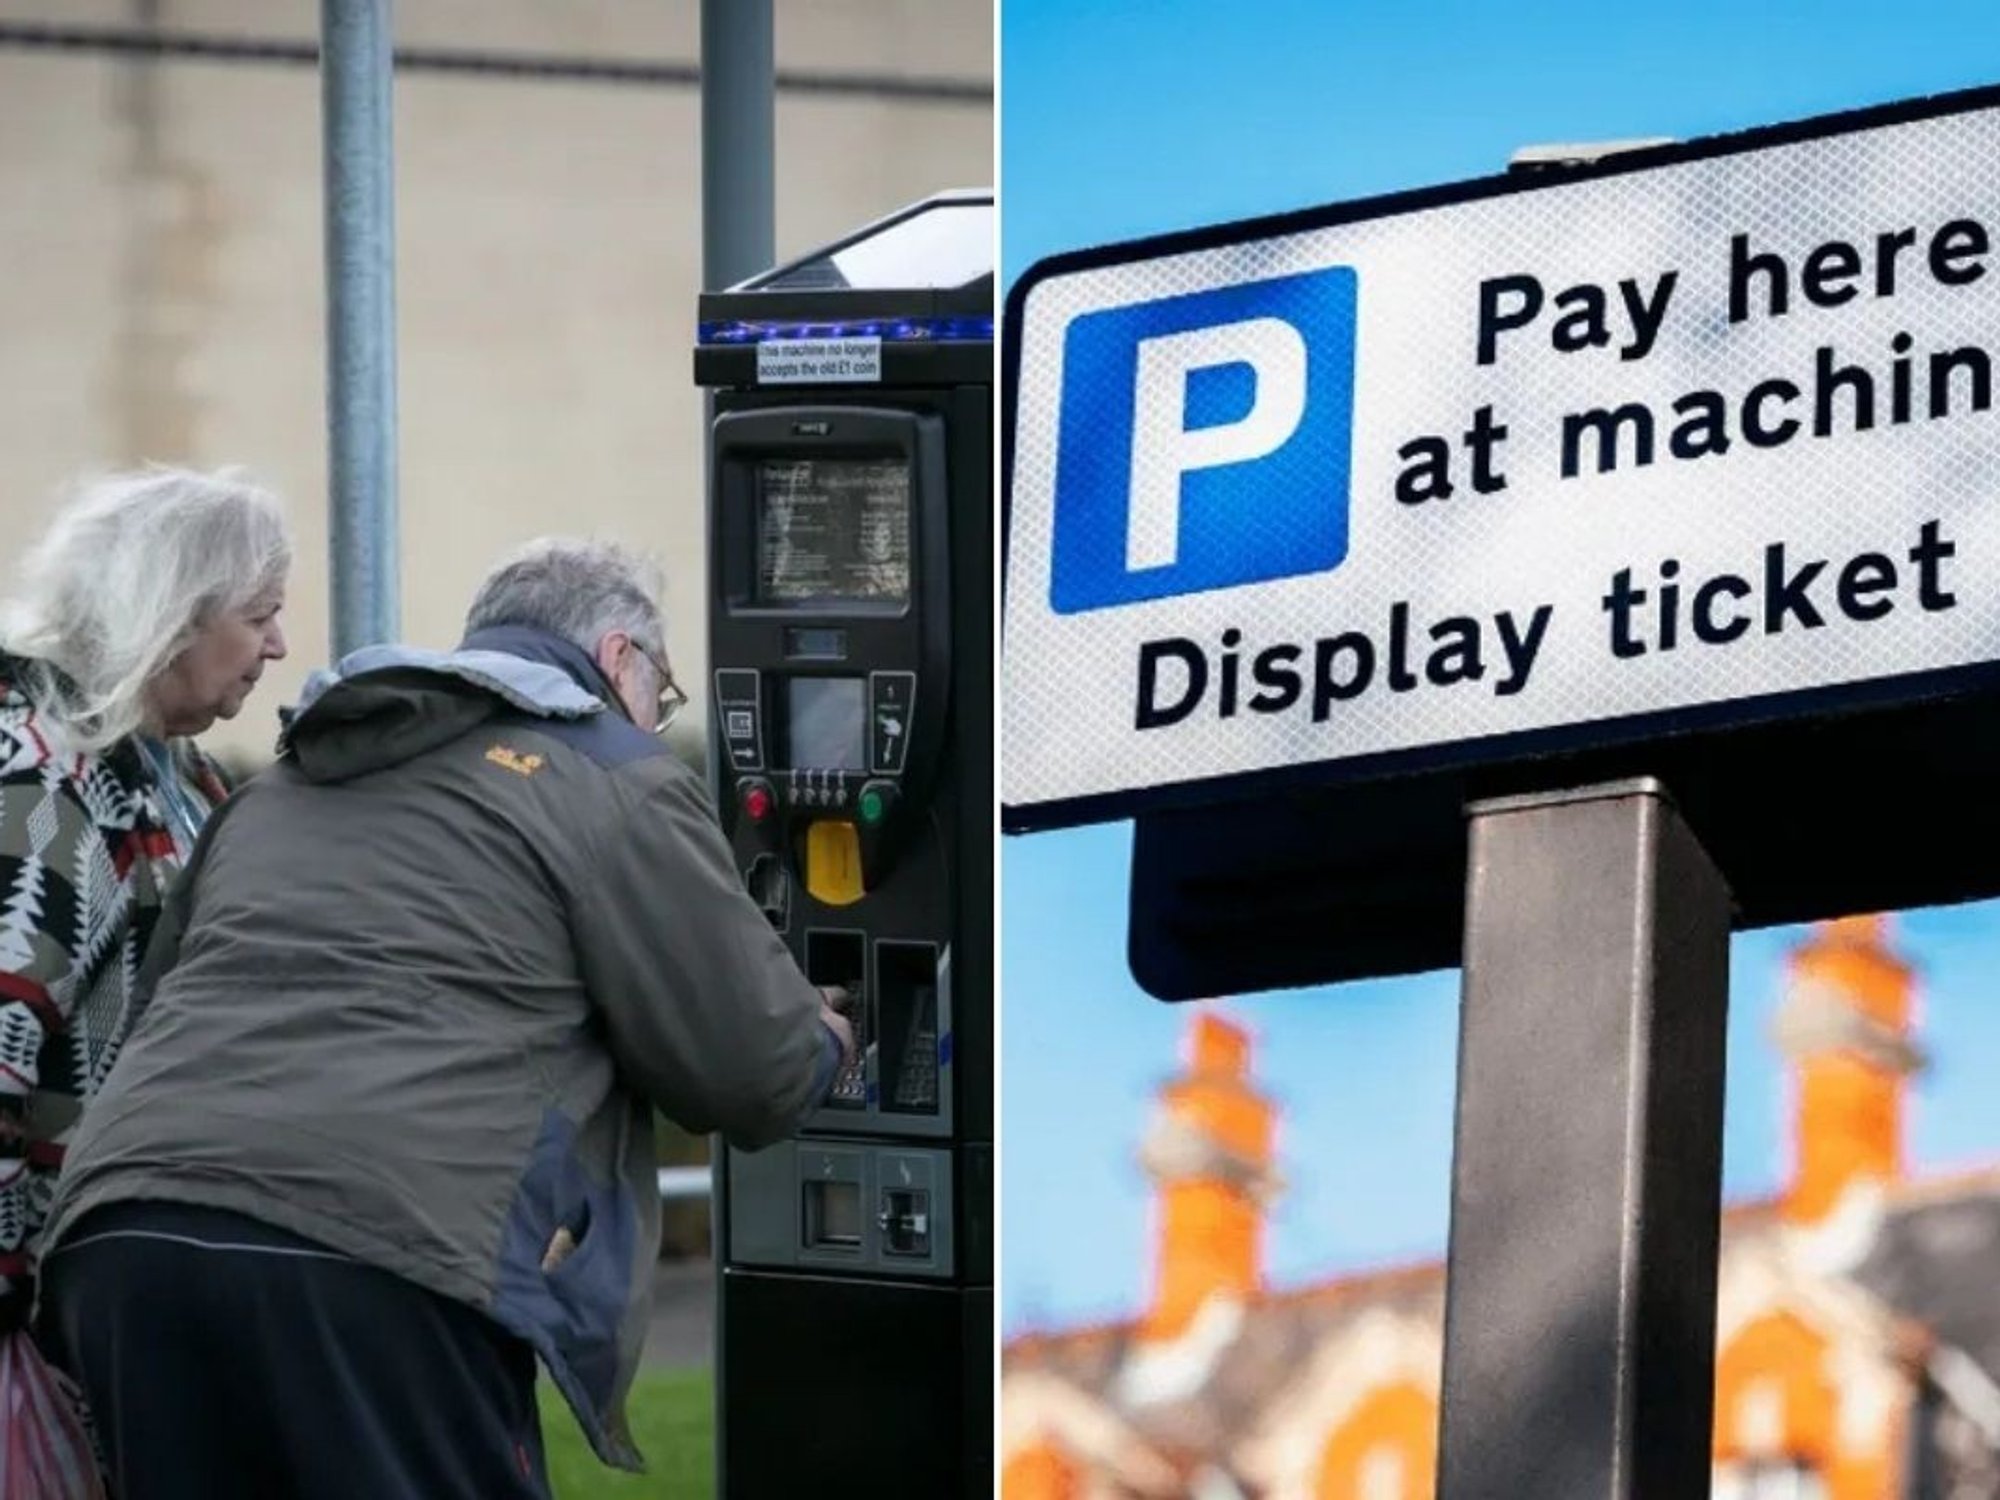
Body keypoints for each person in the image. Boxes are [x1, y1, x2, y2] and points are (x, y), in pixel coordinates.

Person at [35, 537, 850, 1500]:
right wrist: (826, 1039)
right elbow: (746, 1066)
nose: (649, 717)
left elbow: (158, 1015)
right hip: (372, 1256)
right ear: (622, 660)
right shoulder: (611, 777)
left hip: (124, 1246)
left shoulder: (281, 789)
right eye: (659, 692)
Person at [0, 466, 290, 1325]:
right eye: (259, 614)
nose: (277, 646)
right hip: (58, 1302)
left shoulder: (169, 765)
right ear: (171, 616)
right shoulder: (38, 787)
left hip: (130, 1280)